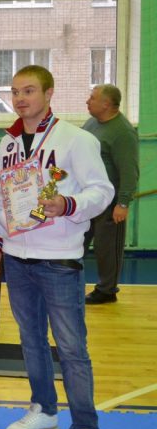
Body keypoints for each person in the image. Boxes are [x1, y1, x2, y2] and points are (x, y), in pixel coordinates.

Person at [0, 65, 113, 429]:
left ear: (49, 93)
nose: (20, 99)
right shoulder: (7, 144)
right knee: (31, 342)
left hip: (59, 260)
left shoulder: (76, 139)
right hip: (17, 259)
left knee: (71, 349)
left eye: (29, 91)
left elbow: (102, 191)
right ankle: (44, 410)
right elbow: (5, 202)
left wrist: (68, 203)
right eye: (15, 91)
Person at [82, 84, 139, 305]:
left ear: (106, 104)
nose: (87, 101)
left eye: (92, 98)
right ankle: (67, 280)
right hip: (86, 197)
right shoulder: (91, 123)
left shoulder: (123, 133)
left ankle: (107, 290)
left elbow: (129, 171)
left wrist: (123, 204)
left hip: (109, 201)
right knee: (77, 241)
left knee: (107, 248)